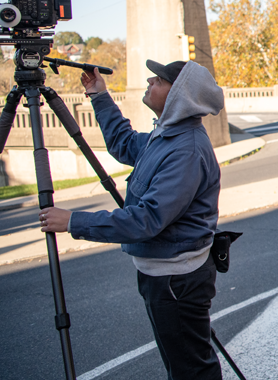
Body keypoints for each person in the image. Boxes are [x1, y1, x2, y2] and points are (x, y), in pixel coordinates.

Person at [38, 60, 225, 379]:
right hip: (162, 276)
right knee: (182, 362)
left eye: (160, 80)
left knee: (191, 369)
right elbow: (123, 143)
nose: (150, 80)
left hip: (176, 281)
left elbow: (146, 220)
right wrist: (99, 95)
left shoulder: (186, 150)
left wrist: (73, 222)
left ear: (179, 95)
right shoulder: (167, 135)